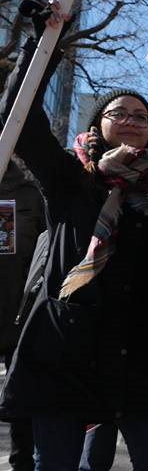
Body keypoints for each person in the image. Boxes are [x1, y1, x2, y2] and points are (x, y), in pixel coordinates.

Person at [0, 1, 148, 471]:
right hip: (68, 353)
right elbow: (20, 120)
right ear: (97, 127)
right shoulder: (70, 179)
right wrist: (42, 42)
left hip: (142, 357)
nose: (130, 119)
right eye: (118, 112)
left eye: (140, 115)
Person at [0, 157, 44, 471]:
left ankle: (21, 462)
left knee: (19, 396)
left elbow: (45, 250)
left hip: (17, 314)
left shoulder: (29, 194)